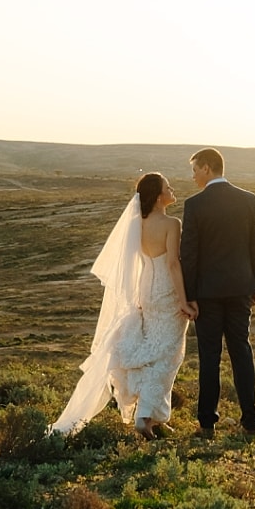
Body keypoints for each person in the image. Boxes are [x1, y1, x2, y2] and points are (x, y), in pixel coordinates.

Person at [51, 172, 192, 438]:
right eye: (168, 187)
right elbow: (173, 264)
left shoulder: (137, 224)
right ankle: (145, 414)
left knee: (153, 349)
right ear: (158, 196)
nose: (173, 189)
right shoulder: (172, 223)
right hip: (166, 291)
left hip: (145, 290)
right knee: (169, 354)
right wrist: (184, 301)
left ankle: (156, 416)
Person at [179, 148, 255, 437]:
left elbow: (188, 255)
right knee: (242, 352)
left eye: (194, 170)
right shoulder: (248, 200)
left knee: (209, 357)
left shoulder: (195, 206)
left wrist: (189, 294)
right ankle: (250, 422)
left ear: (206, 168)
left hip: (207, 294)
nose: (192, 176)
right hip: (241, 288)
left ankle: (207, 424)